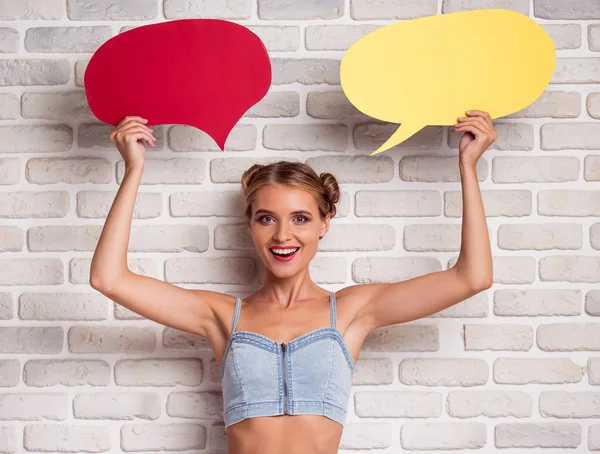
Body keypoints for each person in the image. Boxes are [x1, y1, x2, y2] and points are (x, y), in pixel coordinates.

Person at [90, 112, 497, 454]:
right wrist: (134, 169)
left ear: (324, 223)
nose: (283, 235)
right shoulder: (222, 316)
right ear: (250, 226)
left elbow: (472, 277)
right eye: (267, 218)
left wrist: (467, 165)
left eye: (300, 218)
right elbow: (109, 279)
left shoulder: (352, 311)